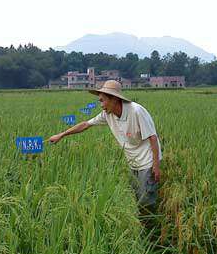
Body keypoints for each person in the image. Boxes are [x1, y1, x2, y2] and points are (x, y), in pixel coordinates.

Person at [49, 80, 162, 211]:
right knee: (136, 196)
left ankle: (150, 227)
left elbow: (153, 138)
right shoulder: (107, 114)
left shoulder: (136, 111)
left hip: (147, 161)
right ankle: (141, 224)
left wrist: (156, 166)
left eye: (102, 100)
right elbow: (86, 124)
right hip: (133, 162)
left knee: (146, 201)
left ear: (114, 99)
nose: (101, 105)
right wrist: (62, 135)